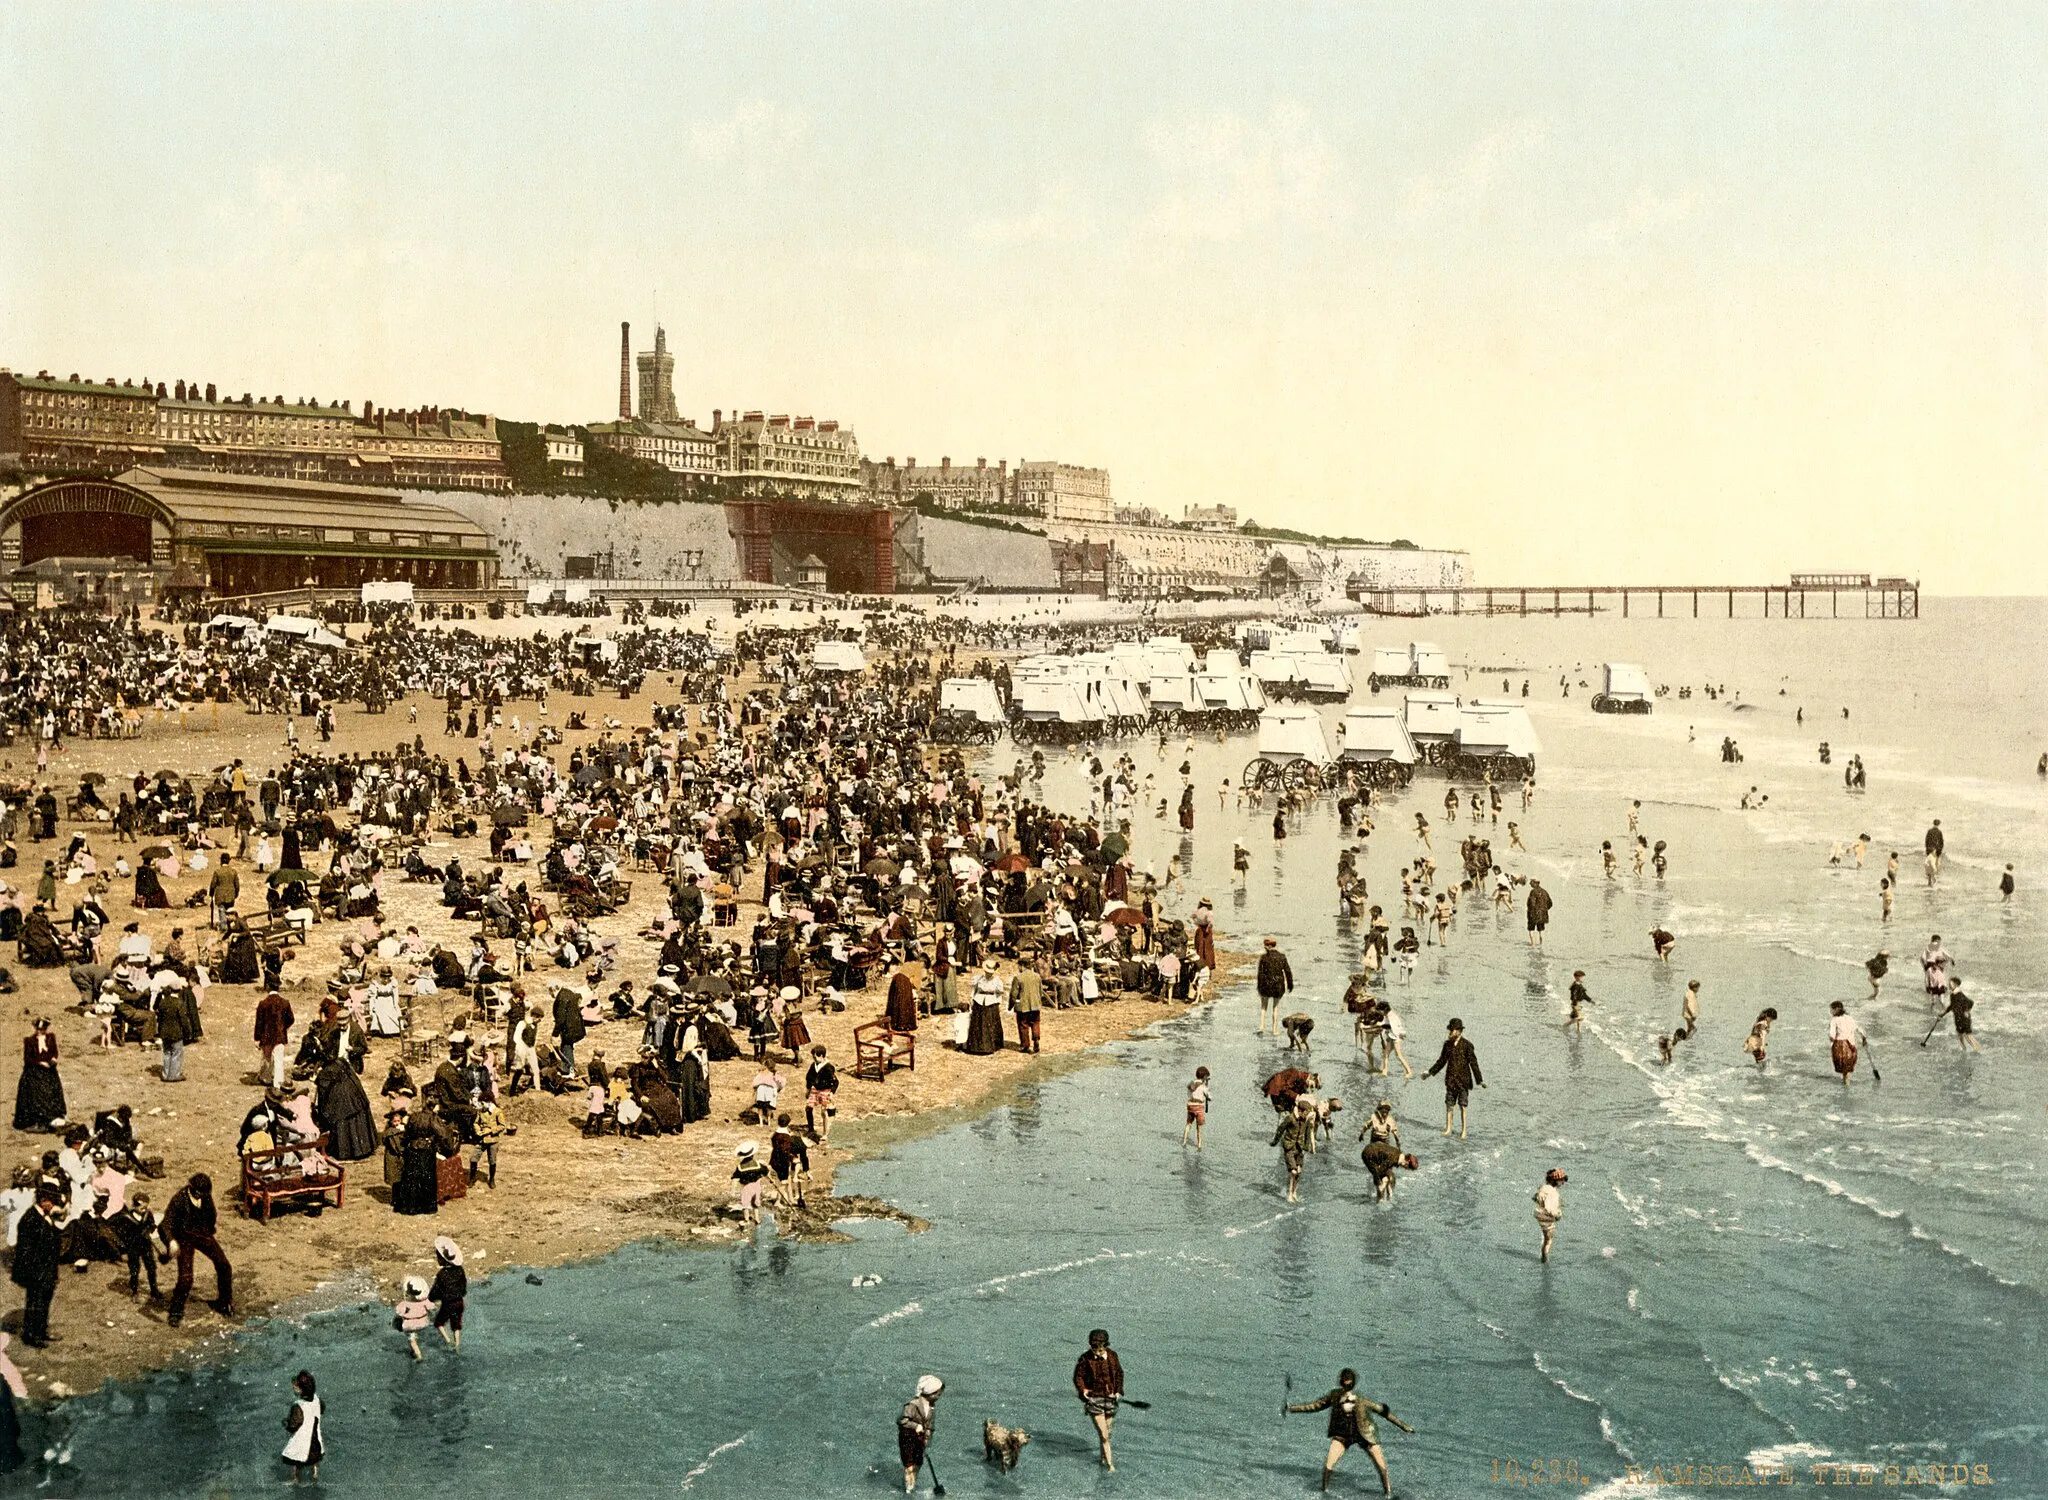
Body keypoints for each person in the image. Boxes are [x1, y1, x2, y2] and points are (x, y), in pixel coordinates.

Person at [1285, 1368, 1413, 1495]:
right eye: (1345, 1383)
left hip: (1366, 1435)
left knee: (1381, 1467)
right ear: (1341, 1382)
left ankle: (1388, 1493)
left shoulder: (1361, 1400)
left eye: (1349, 1384)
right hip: (1343, 1435)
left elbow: (1382, 1411)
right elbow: (1314, 1406)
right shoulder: (1334, 1396)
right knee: (1328, 1466)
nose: (1347, 1387)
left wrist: (1403, 1426)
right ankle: (1323, 1493)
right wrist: (1292, 1408)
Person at [161, 1173, 232, 1326]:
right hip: (184, 1238)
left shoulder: (205, 1195)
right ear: (192, 1189)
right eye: (199, 1193)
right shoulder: (179, 1199)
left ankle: (224, 1302)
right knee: (186, 1279)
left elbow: (211, 1213)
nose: (202, 1196)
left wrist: (208, 1230)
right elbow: (165, 1224)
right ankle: (176, 1312)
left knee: (224, 1265)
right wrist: (172, 1241)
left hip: (201, 1234)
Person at [10, 1187, 61, 1348]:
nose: (53, 1205)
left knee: (44, 1300)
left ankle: (41, 1330)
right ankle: (31, 1335)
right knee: (35, 1302)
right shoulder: (30, 1219)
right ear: (43, 1200)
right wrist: (35, 1273)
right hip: (36, 1271)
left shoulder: (44, 1216)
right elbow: (25, 1251)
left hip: (47, 1269)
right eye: (51, 1202)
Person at [1073, 1328, 1124, 1471]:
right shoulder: (1085, 1358)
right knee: (1104, 1435)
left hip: (1110, 1400)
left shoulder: (1113, 1356)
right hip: (1094, 1400)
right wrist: (1083, 1390)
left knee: (1108, 1432)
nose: (1097, 1351)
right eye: (1094, 1348)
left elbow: (1119, 1374)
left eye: (1100, 1348)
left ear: (1105, 1346)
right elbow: (1078, 1377)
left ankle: (1102, 1459)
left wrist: (1118, 1391)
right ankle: (1110, 1466)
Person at [1423, 1018, 1483, 1138]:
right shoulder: (1447, 1044)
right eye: (1450, 1030)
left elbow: (1473, 1063)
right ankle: (1448, 1129)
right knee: (1449, 1104)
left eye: (1452, 1030)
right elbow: (1441, 1061)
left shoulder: (1467, 1045)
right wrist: (1429, 1073)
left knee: (1463, 1106)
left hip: (1463, 1081)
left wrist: (1479, 1080)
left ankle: (1464, 1131)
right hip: (1451, 1080)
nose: (1450, 1032)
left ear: (1459, 1031)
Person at [13, 1018, 64, 1132]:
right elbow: (27, 1058)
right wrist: (40, 1063)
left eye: (42, 1029)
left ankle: (52, 1119)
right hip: (34, 1073)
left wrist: (53, 1059)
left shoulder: (51, 1038)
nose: (39, 1032)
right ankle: (37, 1121)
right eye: (38, 1029)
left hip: (49, 1072)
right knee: (35, 1097)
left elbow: (55, 1052)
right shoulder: (29, 1041)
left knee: (51, 1094)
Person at [898, 1374, 943, 1494]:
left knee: (918, 1464)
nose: (939, 1397)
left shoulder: (932, 1406)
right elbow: (902, 1420)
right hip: (908, 1437)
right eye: (937, 1394)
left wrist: (928, 1436)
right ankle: (909, 1489)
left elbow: (930, 1425)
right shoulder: (912, 1405)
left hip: (921, 1438)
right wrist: (916, 1426)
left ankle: (912, 1484)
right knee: (909, 1465)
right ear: (930, 1393)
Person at [281, 1369, 323, 1484]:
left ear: (300, 1389)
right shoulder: (317, 1400)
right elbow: (321, 1409)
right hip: (316, 1440)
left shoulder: (298, 1406)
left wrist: (286, 1424)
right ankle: (315, 1473)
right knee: (314, 1457)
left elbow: (294, 1424)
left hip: (303, 1441)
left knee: (296, 1458)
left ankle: (295, 1478)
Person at [1272, 1099, 1315, 1202]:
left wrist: (1306, 1147)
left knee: (1299, 1172)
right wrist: (1275, 1141)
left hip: (1299, 1149)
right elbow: (1280, 1129)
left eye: (1308, 1113)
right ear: (1300, 1111)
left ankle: (1294, 1192)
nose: (1307, 1115)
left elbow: (1308, 1134)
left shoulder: (1307, 1121)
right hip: (1289, 1148)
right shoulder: (1290, 1118)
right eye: (1306, 1112)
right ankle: (1289, 1194)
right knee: (1294, 1172)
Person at [430, 1234, 466, 1350]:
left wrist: (431, 1298)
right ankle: (457, 1343)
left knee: (439, 1323)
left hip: (448, 1303)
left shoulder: (441, 1274)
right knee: (456, 1325)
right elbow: (463, 1287)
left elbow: (436, 1290)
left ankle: (447, 1340)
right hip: (459, 1301)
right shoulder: (460, 1270)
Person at [1256, 937, 1294, 1035]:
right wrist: (1290, 985)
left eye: (1265, 946)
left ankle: (1262, 1027)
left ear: (1268, 946)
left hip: (1265, 985)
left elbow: (1260, 974)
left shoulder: (1263, 958)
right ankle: (1274, 1030)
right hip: (1278, 985)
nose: (1264, 947)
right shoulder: (1282, 957)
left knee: (1263, 1006)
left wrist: (1259, 987)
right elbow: (1288, 972)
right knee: (1275, 1007)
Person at [1008, 952, 1044, 1054]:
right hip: (1035, 1005)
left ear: (1022, 966)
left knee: (1023, 1025)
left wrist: (1010, 1006)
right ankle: (1036, 1040)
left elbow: (1013, 994)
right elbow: (1040, 991)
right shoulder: (1037, 976)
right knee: (1035, 1023)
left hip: (1023, 1006)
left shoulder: (1018, 978)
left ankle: (1025, 1045)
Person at [1827, 1000, 1868, 1086]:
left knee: (1843, 1068)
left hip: (1840, 1046)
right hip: (1851, 1046)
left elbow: (1832, 1036)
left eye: (1831, 1010)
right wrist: (1864, 1039)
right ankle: (1846, 1083)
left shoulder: (1834, 1020)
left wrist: (1831, 1039)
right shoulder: (1850, 1018)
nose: (1830, 1012)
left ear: (1836, 1010)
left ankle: (1845, 1085)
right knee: (1848, 1069)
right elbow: (1859, 1030)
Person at [804, 1045, 839, 1145]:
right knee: (808, 1107)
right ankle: (811, 1128)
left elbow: (835, 1082)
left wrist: (831, 1093)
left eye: (815, 1057)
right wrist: (808, 1089)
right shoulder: (813, 1066)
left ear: (822, 1056)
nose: (814, 1059)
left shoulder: (829, 1067)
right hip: (815, 1089)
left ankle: (824, 1134)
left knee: (824, 1112)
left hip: (825, 1090)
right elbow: (809, 1078)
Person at [1935, 978, 1980, 1053]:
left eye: (1951, 984)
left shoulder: (1959, 994)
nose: (1949, 985)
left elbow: (1970, 1002)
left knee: (1968, 1036)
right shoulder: (1953, 995)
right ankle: (1964, 1049)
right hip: (1958, 1018)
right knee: (1960, 1034)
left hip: (1964, 1018)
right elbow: (1951, 1006)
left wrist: (1966, 1011)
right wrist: (1942, 1014)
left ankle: (1978, 1050)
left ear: (1955, 985)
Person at [394, 1274, 433, 1360]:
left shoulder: (405, 1304)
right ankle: (414, 1347)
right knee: (414, 1335)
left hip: (410, 1325)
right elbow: (432, 1307)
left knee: (412, 1340)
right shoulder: (424, 1301)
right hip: (423, 1322)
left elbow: (399, 1312)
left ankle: (418, 1355)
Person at [1534, 1168, 1567, 1262]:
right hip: (1546, 1218)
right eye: (1561, 1181)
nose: (1562, 1183)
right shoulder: (1553, 1193)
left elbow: (1536, 1197)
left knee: (1546, 1237)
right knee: (1548, 1240)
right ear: (1555, 1181)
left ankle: (1544, 1256)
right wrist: (1558, 1215)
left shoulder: (1543, 1187)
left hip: (1538, 1213)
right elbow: (1550, 1208)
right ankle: (1545, 1259)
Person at [1183, 1065, 1211, 1149]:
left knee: (1188, 1124)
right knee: (1199, 1126)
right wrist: (1207, 1091)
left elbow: (1189, 1094)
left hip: (1190, 1105)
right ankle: (1199, 1145)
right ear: (1204, 1077)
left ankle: (1184, 1141)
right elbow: (1209, 1097)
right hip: (1199, 1107)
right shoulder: (1203, 1086)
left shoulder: (1191, 1084)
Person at [1525, 879, 1551, 947]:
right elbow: (1550, 903)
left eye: (1531, 883)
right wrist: (1544, 909)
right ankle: (1541, 945)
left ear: (1534, 883)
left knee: (1531, 929)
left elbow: (1531, 903)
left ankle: (1533, 945)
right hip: (1543, 914)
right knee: (1541, 930)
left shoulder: (1533, 892)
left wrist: (1530, 911)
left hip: (1533, 913)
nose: (1530, 884)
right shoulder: (1545, 891)